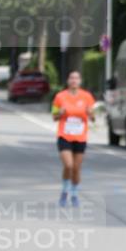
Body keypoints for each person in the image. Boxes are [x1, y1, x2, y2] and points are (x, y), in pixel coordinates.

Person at [52, 71, 96, 207]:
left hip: (80, 137)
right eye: (71, 78)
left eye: (76, 78)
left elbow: (94, 118)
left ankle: (75, 193)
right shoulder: (60, 97)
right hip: (64, 135)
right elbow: (54, 117)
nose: (74, 80)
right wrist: (59, 113)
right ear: (68, 80)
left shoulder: (87, 97)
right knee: (68, 165)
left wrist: (90, 113)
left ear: (80, 81)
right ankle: (65, 190)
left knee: (76, 168)